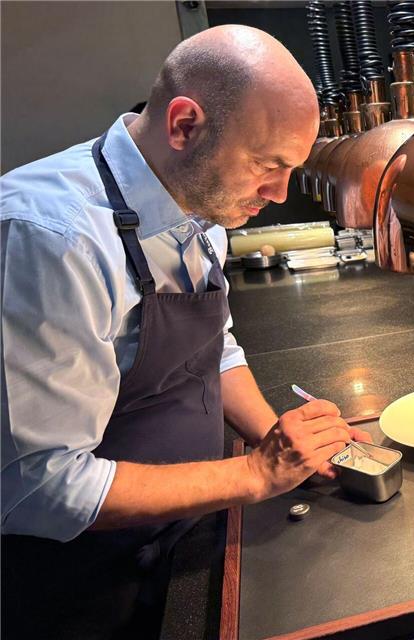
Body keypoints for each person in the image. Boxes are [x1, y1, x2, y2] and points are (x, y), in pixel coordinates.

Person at [1, 26, 371, 639]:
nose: (278, 195)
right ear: (184, 125)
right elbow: (35, 484)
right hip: (89, 584)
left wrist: (276, 439)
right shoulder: (52, 237)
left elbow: (213, 347)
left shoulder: (201, 208)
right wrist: (254, 475)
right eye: (267, 164)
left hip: (186, 534)